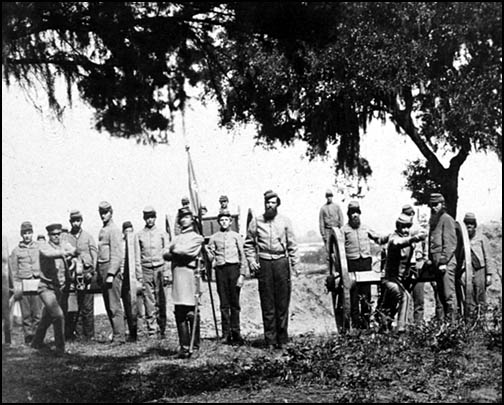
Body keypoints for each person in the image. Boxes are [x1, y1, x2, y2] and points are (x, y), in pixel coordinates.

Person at [244, 190, 299, 350]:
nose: (270, 205)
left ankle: (282, 339)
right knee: (268, 303)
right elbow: (248, 244)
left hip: (281, 262)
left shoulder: (285, 221)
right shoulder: (256, 221)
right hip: (265, 264)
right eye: (267, 202)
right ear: (264, 203)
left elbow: (292, 244)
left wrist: (295, 265)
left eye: (273, 202)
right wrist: (252, 260)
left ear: (277, 204)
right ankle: (270, 340)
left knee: (282, 302)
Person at [338, 201, 388, 330]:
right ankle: (356, 326)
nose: (355, 215)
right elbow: (338, 250)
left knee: (366, 296)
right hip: (352, 264)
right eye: (352, 213)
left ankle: (366, 325)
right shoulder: (343, 231)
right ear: (348, 215)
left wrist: (389, 238)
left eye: (356, 212)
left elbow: (378, 238)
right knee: (353, 297)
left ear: (360, 214)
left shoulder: (365, 228)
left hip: (365, 263)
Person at [163, 207, 204, 359]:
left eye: (186, 217)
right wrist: (175, 250)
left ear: (192, 219)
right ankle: (184, 347)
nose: (183, 220)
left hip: (189, 274)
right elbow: (165, 253)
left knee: (191, 311)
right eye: (181, 217)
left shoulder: (196, 237)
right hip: (177, 275)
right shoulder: (176, 238)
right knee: (179, 311)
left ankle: (195, 345)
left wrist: (174, 251)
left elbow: (186, 252)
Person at [31, 223, 77, 355]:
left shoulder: (64, 244)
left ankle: (36, 342)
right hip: (46, 288)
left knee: (47, 318)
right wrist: (65, 253)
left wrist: (73, 259)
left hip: (59, 289)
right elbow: (50, 254)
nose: (56, 237)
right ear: (49, 235)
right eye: (53, 234)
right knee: (58, 315)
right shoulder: (44, 245)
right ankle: (60, 349)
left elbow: (72, 251)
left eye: (58, 234)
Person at [378, 214, 426, 332]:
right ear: (398, 227)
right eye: (403, 227)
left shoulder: (409, 236)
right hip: (390, 279)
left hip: (401, 279)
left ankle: (384, 328)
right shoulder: (393, 238)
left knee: (388, 306)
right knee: (405, 297)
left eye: (407, 227)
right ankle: (401, 329)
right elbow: (399, 243)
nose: (405, 230)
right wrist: (414, 239)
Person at [207, 209, 247, 345]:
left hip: (234, 270)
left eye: (226, 220)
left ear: (230, 221)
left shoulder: (236, 236)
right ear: (219, 222)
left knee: (234, 303)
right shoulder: (214, 237)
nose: (224, 222)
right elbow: (210, 254)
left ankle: (236, 332)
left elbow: (243, 256)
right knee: (224, 303)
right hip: (221, 271)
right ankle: (226, 333)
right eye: (222, 220)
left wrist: (242, 274)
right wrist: (210, 255)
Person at [134, 206, 170, 338]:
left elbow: (167, 252)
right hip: (146, 269)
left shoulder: (162, 234)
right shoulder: (139, 235)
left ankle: (162, 328)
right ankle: (152, 329)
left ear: (155, 218)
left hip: (160, 268)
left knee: (161, 299)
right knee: (149, 300)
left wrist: (166, 272)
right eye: (147, 217)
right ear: (144, 219)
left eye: (152, 217)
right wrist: (139, 274)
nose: (150, 220)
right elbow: (137, 256)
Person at [65, 209, 98, 341]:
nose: (76, 223)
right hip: (72, 276)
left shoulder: (88, 237)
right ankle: (78, 335)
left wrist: (92, 272)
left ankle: (89, 336)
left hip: (86, 274)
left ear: (81, 221)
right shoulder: (66, 238)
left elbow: (94, 255)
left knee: (87, 306)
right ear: (70, 222)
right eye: (73, 221)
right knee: (75, 307)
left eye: (78, 220)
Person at [96, 201, 125, 344]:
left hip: (109, 271)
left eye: (106, 212)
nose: (103, 215)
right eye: (101, 212)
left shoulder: (114, 229)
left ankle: (120, 336)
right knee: (108, 305)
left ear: (111, 212)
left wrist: (111, 274)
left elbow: (117, 254)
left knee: (114, 305)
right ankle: (116, 334)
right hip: (103, 270)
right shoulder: (104, 229)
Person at [9, 221, 43, 345]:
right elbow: (14, 271)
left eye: (29, 233)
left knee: (37, 314)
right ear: (21, 235)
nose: (27, 236)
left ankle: (38, 339)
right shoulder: (16, 251)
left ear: (32, 233)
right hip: (24, 285)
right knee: (27, 315)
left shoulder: (39, 247)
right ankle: (29, 339)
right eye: (24, 233)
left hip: (37, 283)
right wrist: (17, 286)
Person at [428, 193, 458, 324]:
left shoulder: (447, 219)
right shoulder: (434, 221)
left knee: (448, 296)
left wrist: (443, 261)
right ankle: (443, 327)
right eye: (432, 205)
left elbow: (450, 243)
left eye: (436, 205)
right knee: (440, 297)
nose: (434, 207)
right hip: (437, 265)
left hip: (445, 264)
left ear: (442, 204)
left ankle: (453, 327)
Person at [458, 212, 495, 318]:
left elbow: (488, 256)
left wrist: (489, 274)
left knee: (480, 296)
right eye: (467, 224)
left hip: (480, 270)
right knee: (469, 297)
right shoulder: (462, 240)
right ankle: (470, 323)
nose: (469, 226)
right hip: (467, 271)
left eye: (471, 224)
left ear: (475, 225)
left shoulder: (481, 238)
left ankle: (481, 321)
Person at [121, 221, 143, 341]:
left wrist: (139, 277)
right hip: (123, 277)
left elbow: (137, 260)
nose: (129, 234)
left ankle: (136, 330)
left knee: (135, 304)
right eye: (126, 231)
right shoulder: (121, 244)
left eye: (131, 231)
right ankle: (124, 330)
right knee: (125, 305)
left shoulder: (134, 244)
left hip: (132, 277)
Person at [2, 234, 11, 346]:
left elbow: (7, 264)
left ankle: (8, 340)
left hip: (3, 282)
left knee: (5, 311)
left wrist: (12, 284)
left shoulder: (4, 239)